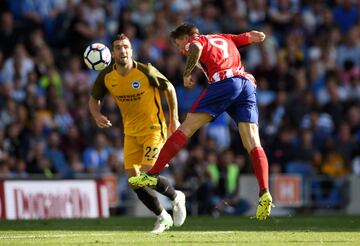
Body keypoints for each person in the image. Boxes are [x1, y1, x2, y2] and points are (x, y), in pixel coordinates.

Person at [129, 23, 273, 220]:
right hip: (246, 84)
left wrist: (187, 72)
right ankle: (264, 191)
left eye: (180, 43)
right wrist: (256, 36)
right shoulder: (223, 36)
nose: (181, 49)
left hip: (224, 83)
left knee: (186, 128)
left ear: (188, 36)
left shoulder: (197, 41)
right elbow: (248, 37)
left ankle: (152, 174)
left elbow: (195, 48)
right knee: (253, 143)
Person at [88, 34, 186, 233]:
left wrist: (173, 118)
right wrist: (96, 114)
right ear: (112, 52)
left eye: (126, 47)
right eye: (118, 47)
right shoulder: (107, 75)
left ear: (131, 50)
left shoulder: (145, 70)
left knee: (148, 175)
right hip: (130, 133)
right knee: (134, 181)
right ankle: (162, 217)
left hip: (153, 128)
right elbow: (93, 99)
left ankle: (177, 197)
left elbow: (169, 88)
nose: (122, 51)